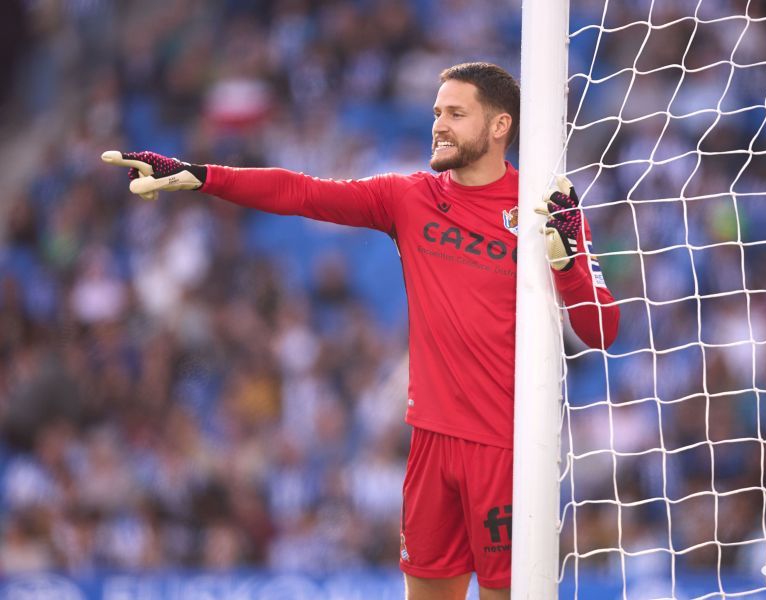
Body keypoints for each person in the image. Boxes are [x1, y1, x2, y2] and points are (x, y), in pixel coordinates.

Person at [102, 62, 619, 600]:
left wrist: (570, 266)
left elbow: (602, 329)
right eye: (437, 112)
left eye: (456, 113)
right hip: (429, 443)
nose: (439, 124)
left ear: (498, 126)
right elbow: (302, 192)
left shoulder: (546, 210)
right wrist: (203, 175)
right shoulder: (410, 197)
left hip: (504, 449)